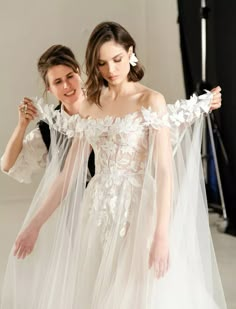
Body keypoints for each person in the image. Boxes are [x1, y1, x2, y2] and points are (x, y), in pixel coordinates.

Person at [0, 22, 226, 309]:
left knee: (136, 294)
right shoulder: (91, 105)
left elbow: (165, 171)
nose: (111, 70)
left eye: (117, 60)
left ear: (130, 53)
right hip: (97, 211)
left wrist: (161, 235)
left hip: (138, 210)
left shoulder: (150, 100)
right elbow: (68, 174)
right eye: (102, 63)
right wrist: (33, 226)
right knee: (99, 290)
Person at [0, 44, 95, 184]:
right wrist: (22, 125)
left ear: (78, 72)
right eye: (57, 82)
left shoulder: (104, 103)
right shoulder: (49, 128)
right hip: (83, 201)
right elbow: (7, 165)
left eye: (70, 76)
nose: (66, 86)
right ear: (49, 88)